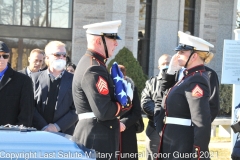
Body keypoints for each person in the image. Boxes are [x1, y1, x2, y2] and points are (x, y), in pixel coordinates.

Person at [72, 20, 132, 160]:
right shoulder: (94, 68)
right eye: (112, 39)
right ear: (99, 41)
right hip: (96, 139)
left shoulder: (94, 63)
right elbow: (104, 112)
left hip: (96, 135)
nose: (116, 44)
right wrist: (123, 103)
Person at [155, 31, 214, 160]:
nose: (177, 55)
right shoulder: (187, 77)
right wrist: (170, 72)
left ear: (194, 56)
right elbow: (162, 95)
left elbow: (201, 121)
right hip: (173, 140)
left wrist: (198, 153)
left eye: (182, 52)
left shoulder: (197, 79)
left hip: (182, 144)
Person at [31, 41, 78, 135]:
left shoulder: (74, 80)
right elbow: (30, 106)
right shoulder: (34, 78)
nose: (61, 57)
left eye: (64, 55)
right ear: (47, 57)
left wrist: (56, 127)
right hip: (38, 133)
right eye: (57, 54)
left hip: (64, 134)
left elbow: (77, 109)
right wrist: (44, 126)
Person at [141, 54, 171, 160]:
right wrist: (160, 113)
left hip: (173, 130)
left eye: (168, 63)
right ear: (159, 67)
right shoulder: (151, 82)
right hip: (154, 129)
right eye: (163, 64)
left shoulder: (180, 81)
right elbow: (145, 102)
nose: (166, 65)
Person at [0, 41, 34, 127]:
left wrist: (17, 134)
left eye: (5, 56)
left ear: (9, 57)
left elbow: (26, 114)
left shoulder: (23, 81)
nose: (2, 59)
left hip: (10, 135)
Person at [118, 65, 142, 160]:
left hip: (128, 130)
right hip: (111, 130)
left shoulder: (132, 88)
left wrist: (123, 123)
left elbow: (137, 112)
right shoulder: (108, 89)